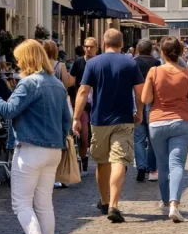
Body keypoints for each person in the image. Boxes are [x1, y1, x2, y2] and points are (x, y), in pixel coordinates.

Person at [0, 39, 71, 234]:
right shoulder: (58, 85)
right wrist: (59, 143)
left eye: (19, 59)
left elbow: (8, 111)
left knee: (21, 203)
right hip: (53, 150)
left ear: (27, 59)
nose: (16, 63)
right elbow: (65, 121)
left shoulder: (28, 83)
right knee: (44, 204)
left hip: (30, 149)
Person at [72, 28, 144, 223]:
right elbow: (140, 92)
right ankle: (114, 204)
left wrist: (76, 118)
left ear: (103, 44)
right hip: (123, 119)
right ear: (122, 44)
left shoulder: (94, 63)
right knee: (120, 160)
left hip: (99, 119)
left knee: (102, 162)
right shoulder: (130, 63)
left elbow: (82, 91)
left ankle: (104, 202)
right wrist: (139, 111)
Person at [141, 36, 188, 222]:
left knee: (162, 166)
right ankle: (174, 205)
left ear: (162, 52)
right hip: (181, 122)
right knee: (176, 164)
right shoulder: (187, 74)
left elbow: (145, 99)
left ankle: (165, 202)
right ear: (180, 52)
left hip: (157, 122)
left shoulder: (153, 72)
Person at [68, 39, 98, 172]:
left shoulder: (99, 62)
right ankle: (84, 157)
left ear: (96, 48)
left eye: (91, 47)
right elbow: (71, 81)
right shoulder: (78, 62)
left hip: (97, 101)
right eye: (86, 46)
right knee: (84, 132)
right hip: (82, 102)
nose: (88, 49)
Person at [133, 39, 160, 181]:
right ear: (151, 49)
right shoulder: (156, 63)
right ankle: (152, 169)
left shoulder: (133, 62)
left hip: (137, 102)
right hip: (152, 102)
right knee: (152, 138)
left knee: (138, 138)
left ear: (137, 49)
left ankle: (141, 166)